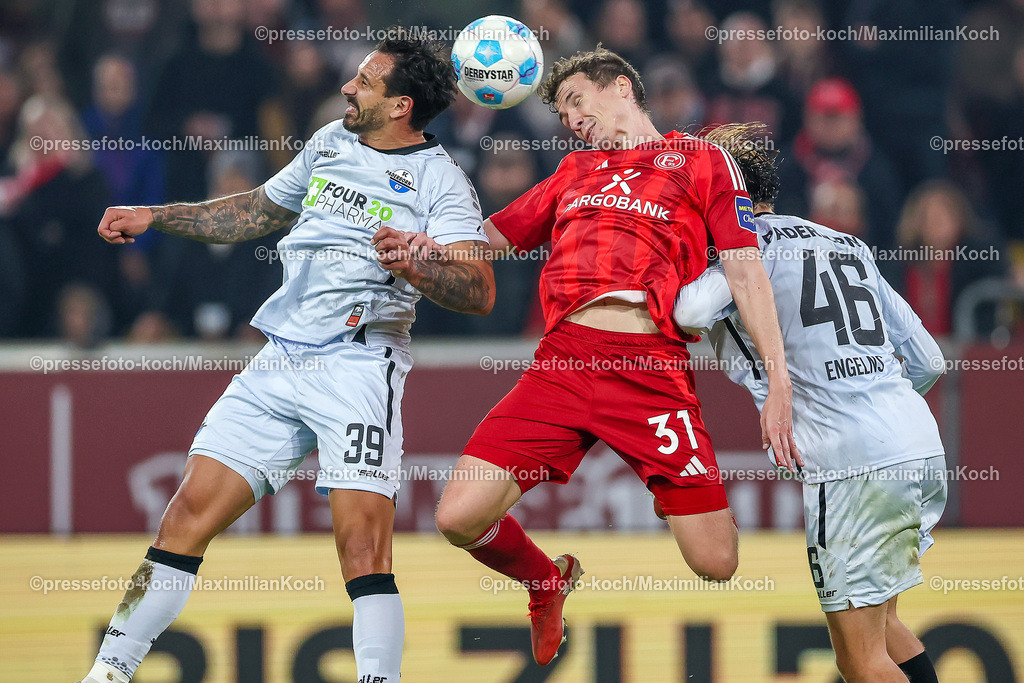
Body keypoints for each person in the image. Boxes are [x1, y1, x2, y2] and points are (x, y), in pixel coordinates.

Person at [80, 31, 494, 683]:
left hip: (359, 367)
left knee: (362, 548)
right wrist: (156, 214)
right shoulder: (329, 141)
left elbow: (480, 291)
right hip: (279, 360)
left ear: (400, 106)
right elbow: (254, 210)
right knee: (184, 515)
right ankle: (108, 672)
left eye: (365, 81)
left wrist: (416, 262)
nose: (347, 87)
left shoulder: (443, 184)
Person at [429, 47, 800, 666]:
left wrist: (779, 384)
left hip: (650, 368)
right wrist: (424, 245)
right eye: (562, 113)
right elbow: (490, 239)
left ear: (622, 87)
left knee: (717, 562)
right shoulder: (573, 172)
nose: (572, 120)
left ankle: (679, 486)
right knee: (457, 518)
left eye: (577, 101)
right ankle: (545, 580)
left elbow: (744, 268)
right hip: (564, 360)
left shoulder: (703, 160)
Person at [673, 123, 945, 683]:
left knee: (859, 660)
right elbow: (929, 360)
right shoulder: (842, 241)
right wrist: (874, 403)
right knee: (885, 623)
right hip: (916, 442)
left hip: (852, 465)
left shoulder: (742, 254)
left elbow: (690, 313)